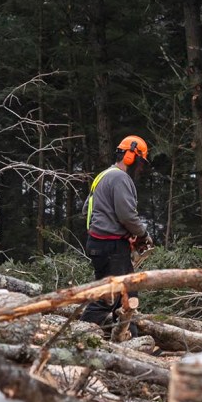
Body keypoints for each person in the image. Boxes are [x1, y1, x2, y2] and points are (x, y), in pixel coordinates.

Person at [82, 134, 153, 328]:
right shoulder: (120, 178)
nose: (141, 166)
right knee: (107, 298)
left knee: (128, 295)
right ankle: (76, 336)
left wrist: (123, 233)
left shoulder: (103, 176)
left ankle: (130, 341)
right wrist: (142, 234)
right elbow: (127, 215)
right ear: (131, 156)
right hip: (110, 247)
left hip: (103, 244)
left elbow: (87, 209)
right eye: (140, 161)